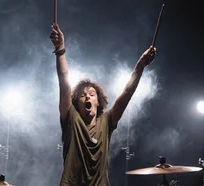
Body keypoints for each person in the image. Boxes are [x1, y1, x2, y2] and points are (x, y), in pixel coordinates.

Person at [50, 23, 157, 186]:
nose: (87, 97)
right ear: (76, 103)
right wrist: (60, 49)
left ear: (98, 101)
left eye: (92, 94)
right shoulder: (70, 117)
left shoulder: (106, 121)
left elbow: (127, 93)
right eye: (82, 95)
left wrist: (141, 64)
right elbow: (64, 81)